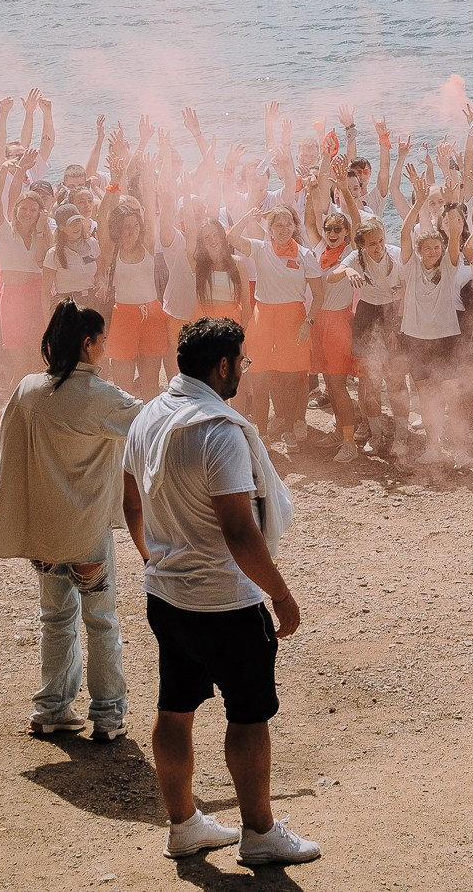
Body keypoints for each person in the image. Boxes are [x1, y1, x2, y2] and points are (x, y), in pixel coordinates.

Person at [122, 317, 317, 867]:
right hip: (226, 601)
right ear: (224, 365)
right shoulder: (220, 431)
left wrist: (152, 558)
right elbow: (238, 530)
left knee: (174, 707)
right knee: (249, 715)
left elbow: (131, 503)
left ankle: (183, 825)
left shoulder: (147, 418)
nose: (242, 374)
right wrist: (279, 594)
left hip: (166, 593)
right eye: (242, 363)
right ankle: (258, 832)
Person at [0, 302, 142, 741]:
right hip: (87, 531)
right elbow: (152, 423)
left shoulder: (29, 389)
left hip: (44, 532)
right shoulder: (98, 395)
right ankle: (107, 717)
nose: (105, 351)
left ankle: (51, 707)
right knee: (102, 622)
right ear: (87, 343)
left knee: (55, 620)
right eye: (102, 342)